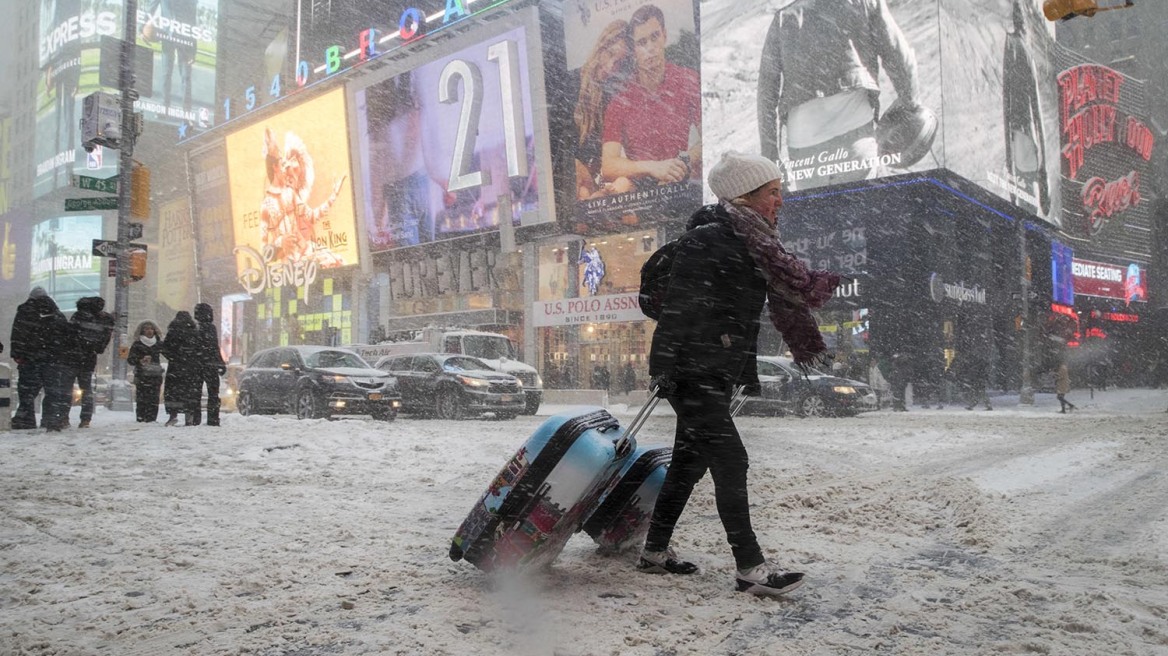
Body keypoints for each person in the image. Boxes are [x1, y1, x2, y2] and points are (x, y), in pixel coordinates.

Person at [641, 151, 839, 596]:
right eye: (773, 192)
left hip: (712, 369)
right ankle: (750, 567)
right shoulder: (708, 240)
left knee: (689, 463)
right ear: (746, 196)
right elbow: (681, 309)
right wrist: (667, 369)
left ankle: (653, 551)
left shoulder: (750, 243)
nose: (781, 201)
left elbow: (736, 321)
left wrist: (739, 369)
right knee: (732, 459)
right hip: (692, 371)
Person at [758, 0, 924, 189]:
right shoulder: (865, 3)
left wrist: (771, 160)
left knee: (822, 213)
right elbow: (900, 58)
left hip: (805, 149)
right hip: (855, 138)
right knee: (867, 211)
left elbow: (766, 96)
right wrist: (912, 106)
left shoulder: (783, 19)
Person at [600, 4, 702, 190]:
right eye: (642, 42)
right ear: (634, 50)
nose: (650, 48)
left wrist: (683, 162)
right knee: (620, 186)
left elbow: (707, 137)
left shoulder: (687, 80)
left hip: (679, 182)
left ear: (665, 35)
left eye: (654, 37)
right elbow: (608, 165)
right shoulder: (620, 101)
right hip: (639, 192)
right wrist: (653, 168)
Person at [574, 19, 634, 200]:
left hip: (598, 184)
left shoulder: (614, 98)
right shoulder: (571, 84)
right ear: (601, 47)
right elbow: (562, 152)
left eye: (618, 63)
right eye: (609, 54)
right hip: (576, 182)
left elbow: (611, 161)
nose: (610, 67)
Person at [10, 288, 58, 429]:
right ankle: (49, 420)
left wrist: (17, 354)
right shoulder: (55, 312)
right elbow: (62, 334)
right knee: (51, 391)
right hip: (51, 359)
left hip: (29, 358)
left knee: (26, 390)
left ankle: (26, 419)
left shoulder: (25, 312)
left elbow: (18, 334)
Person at [68, 296, 114, 428]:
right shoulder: (102, 319)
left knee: (66, 388)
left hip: (71, 357)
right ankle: (86, 419)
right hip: (89, 358)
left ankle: (63, 417)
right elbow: (103, 341)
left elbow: (69, 335)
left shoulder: (78, 316)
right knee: (86, 388)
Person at [162, 311, 201, 426]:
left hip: (175, 368)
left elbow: (165, 349)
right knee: (189, 393)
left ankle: (173, 415)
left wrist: (173, 357)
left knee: (173, 392)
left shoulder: (172, 332)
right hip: (190, 368)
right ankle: (189, 417)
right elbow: (199, 349)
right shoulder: (194, 332)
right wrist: (191, 358)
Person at [192, 303, 227, 426]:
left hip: (197, 365)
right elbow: (214, 347)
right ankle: (213, 418)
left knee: (196, 393)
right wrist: (220, 363)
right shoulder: (210, 328)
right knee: (213, 393)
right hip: (210, 365)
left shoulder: (194, 328)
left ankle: (195, 418)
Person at [128, 321, 165, 423]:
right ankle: (141, 417)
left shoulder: (158, 343)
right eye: (146, 329)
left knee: (154, 398)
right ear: (142, 331)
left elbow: (168, 354)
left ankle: (152, 418)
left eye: (151, 328)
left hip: (155, 375)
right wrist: (139, 360)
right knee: (141, 398)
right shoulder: (137, 344)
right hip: (141, 375)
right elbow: (130, 360)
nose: (149, 331)